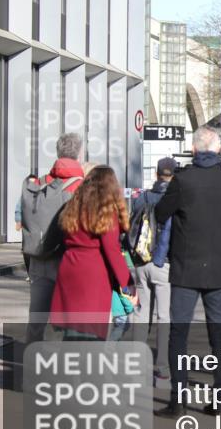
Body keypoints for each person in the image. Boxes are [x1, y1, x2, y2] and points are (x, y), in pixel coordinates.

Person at [154, 126, 221, 417]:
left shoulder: (183, 180)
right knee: (218, 335)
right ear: (218, 150)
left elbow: (161, 213)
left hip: (185, 267)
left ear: (193, 150)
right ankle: (220, 398)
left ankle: (178, 401)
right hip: (216, 267)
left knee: (179, 334)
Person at [49, 166, 135, 340]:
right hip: (93, 272)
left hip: (69, 266)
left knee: (72, 327)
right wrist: (127, 282)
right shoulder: (105, 212)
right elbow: (111, 249)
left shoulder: (73, 207)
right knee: (89, 331)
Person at [22, 132, 86, 343]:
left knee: (36, 319)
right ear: (79, 154)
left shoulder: (40, 184)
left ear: (58, 153)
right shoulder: (82, 186)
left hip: (38, 258)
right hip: (68, 260)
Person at [131, 157, 176, 382]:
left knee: (141, 312)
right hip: (164, 263)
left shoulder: (143, 197)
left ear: (157, 174)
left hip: (141, 260)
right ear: (173, 176)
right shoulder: (175, 199)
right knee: (164, 315)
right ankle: (162, 365)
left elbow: (131, 224)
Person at [14, 174, 40, 280]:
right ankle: (30, 273)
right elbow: (18, 208)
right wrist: (18, 221)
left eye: (34, 182)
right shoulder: (24, 196)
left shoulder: (42, 195)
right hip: (27, 226)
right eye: (30, 183)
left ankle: (36, 272)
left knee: (37, 250)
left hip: (38, 226)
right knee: (26, 250)